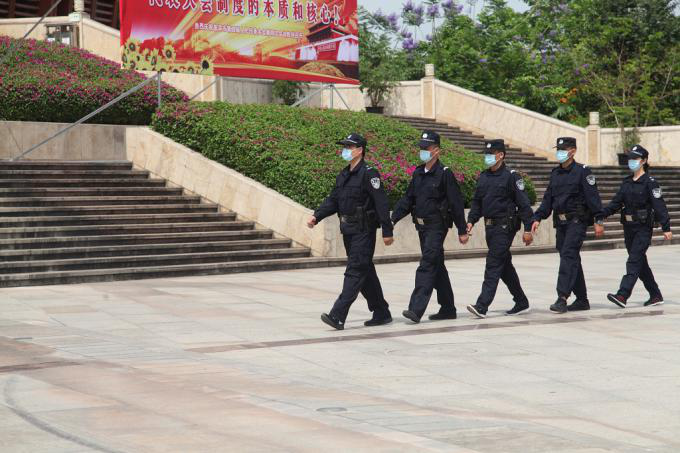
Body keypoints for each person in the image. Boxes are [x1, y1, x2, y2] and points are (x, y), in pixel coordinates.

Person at [307, 133, 394, 330]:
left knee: (354, 270)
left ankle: (337, 315)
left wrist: (387, 230)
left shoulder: (369, 173)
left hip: (364, 230)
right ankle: (381, 312)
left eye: (349, 147)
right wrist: (316, 216)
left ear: (360, 150)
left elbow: (381, 202)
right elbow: (333, 200)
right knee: (365, 271)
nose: (345, 150)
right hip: (348, 230)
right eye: (344, 147)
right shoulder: (344, 174)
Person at [391, 130, 469, 324]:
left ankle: (415, 309)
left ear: (437, 151)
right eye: (422, 147)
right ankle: (448, 309)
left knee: (426, 264)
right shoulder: (418, 173)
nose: (423, 151)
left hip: (437, 227)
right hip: (421, 227)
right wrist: (392, 219)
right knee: (437, 266)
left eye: (427, 147)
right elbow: (408, 199)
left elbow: (456, 203)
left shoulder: (445, 173)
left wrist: (462, 230)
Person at [531, 137, 605, 314]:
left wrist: (599, 220)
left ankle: (562, 297)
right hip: (561, 222)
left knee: (568, 255)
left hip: (577, 221)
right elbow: (548, 199)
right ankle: (582, 300)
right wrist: (538, 217)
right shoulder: (555, 173)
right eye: (558, 149)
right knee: (571, 258)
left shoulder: (583, 172)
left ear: (573, 151)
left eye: (563, 149)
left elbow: (593, 197)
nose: (560, 153)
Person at [466, 140, 535, 319]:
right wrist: (471, 221)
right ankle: (521, 301)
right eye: (486, 153)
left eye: (491, 154)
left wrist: (528, 229)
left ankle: (482, 306)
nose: (487, 157)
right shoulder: (484, 176)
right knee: (504, 266)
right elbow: (477, 202)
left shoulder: (512, 177)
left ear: (501, 155)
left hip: (505, 226)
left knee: (493, 263)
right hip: (489, 226)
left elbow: (524, 204)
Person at [603, 145, 673, 308]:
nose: (631, 161)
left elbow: (659, 205)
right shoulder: (626, 182)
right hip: (628, 227)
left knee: (634, 260)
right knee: (640, 263)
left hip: (643, 228)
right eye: (630, 158)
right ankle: (655, 295)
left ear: (644, 161)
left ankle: (622, 295)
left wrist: (666, 227)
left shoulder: (650, 183)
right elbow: (616, 203)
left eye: (635, 158)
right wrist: (600, 214)